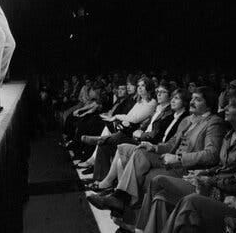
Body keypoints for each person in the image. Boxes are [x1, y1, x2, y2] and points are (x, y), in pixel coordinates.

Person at [135, 93, 236, 233]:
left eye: (231, 106)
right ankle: (139, 229)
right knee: (160, 196)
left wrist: (208, 179)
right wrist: (203, 173)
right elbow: (221, 167)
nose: (225, 108)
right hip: (212, 181)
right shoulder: (230, 134)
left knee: (163, 183)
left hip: (223, 192)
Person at [86, 86, 224, 216]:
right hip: (169, 159)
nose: (192, 102)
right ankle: (119, 200)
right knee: (129, 149)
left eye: (198, 99)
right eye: (192, 98)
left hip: (185, 166)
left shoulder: (213, 122)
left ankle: (121, 202)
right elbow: (171, 144)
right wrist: (154, 147)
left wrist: (179, 158)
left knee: (137, 158)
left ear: (209, 104)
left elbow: (211, 154)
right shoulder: (188, 120)